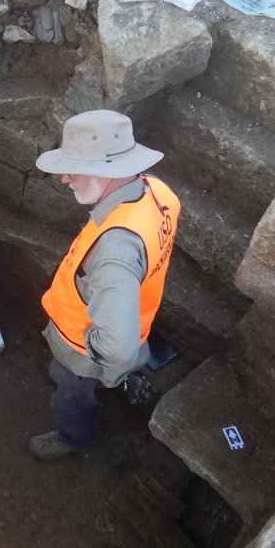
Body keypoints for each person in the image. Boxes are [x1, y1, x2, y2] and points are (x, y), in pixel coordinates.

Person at [28, 110, 180, 460]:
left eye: (73, 169)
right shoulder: (157, 191)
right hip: (136, 315)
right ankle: (118, 379)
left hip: (82, 351)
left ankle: (73, 437)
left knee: (70, 397)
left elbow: (117, 347)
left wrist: (85, 355)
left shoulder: (114, 254)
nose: (65, 178)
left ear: (105, 172)